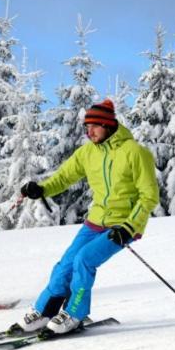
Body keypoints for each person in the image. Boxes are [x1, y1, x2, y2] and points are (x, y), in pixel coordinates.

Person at [16, 99, 159, 334]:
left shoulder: (135, 152)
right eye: (86, 127)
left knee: (84, 259)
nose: (89, 132)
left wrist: (129, 226)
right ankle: (44, 311)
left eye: (94, 126)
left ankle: (75, 313)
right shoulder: (87, 153)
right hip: (95, 221)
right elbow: (63, 177)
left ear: (108, 125)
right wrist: (41, 189)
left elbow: (149, 196)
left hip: (123, 225)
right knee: (65, 265)